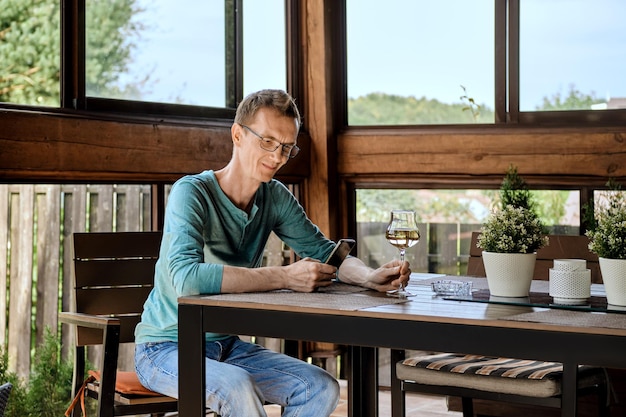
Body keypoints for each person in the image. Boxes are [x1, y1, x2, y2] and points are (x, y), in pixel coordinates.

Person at [134, 88, 411, 417]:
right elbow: (186, 279)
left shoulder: (274, 197)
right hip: (165, 347)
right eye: (267, 142)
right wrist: (284, 276)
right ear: (238, 135)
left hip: (226, 346)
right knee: (238, 387)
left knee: (320, 387)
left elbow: (323, 251)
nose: (278, 157)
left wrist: (369, 277)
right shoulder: (192, 193)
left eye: (286, 148)